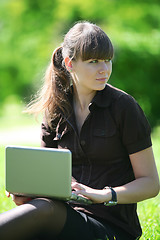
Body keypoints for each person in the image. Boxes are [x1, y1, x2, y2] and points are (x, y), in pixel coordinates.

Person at [1, 21, 159, 240]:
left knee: (44, 212)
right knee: (39, 210)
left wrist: (103, 195)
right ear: (69, 63)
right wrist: (27, 192)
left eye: (107, 60)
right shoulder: (55, 109)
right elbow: (48, 179)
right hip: (64, 216)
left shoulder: (124, 107)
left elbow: (150, 183)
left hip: (111, 227)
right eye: (93, 61)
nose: (104, 69)